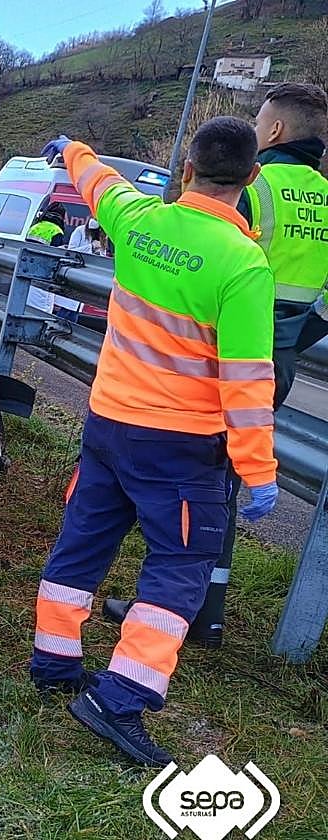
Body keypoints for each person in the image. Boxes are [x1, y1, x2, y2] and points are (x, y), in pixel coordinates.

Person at [30, 119, 279, 767]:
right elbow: (249, 380)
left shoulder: (140, 219)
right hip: (181, 447)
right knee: (181, 564)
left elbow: (98, 182)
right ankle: (120, 697)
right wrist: (257, 470)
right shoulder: (242, 263)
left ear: (187, 169)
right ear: (251, 179)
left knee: (83, 538)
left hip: (109, 424)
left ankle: (54, 662)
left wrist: (70, 149)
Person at [104, 83, 328, 647]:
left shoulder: (254, 186)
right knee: (221, 488)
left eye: (258, 121)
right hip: (283, 358)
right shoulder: (325, 198)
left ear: (272, 133)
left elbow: (200, 265)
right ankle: (209, 610)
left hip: (214, 362)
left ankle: (179, 608)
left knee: (190, 490)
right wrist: (298, 334)